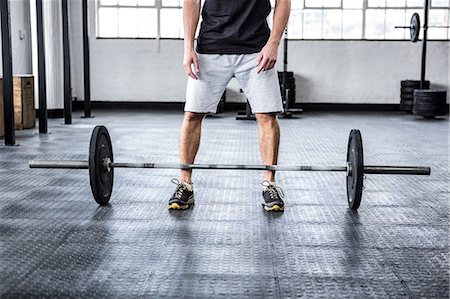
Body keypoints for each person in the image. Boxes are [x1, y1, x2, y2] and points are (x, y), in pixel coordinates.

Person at [168, 0, 291, 212]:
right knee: (192, 115)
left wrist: (273, 43)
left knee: (267, 117)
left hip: (256, 50)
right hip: (210, 48)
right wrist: (188, 47)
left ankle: (269, 185)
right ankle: (185, 184)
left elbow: (284, 1)